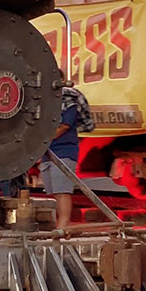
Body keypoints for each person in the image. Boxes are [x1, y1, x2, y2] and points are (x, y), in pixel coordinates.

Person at [40, 82, 94, 228]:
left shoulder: (69, 102)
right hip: (47, 153)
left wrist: (43, 140)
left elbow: (64, 126)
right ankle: (59, 225)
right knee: (55, 193)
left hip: (63, 151)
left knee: (62, 191)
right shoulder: (44, 102)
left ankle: (63, 226)